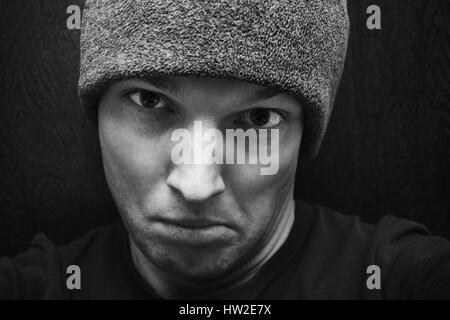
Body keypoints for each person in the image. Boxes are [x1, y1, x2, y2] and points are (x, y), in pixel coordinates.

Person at [1, 0, 449, 300]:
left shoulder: (397, 279)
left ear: (304, 134)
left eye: (256, 120)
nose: (196, 185)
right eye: (150, 101)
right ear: (97, 112)